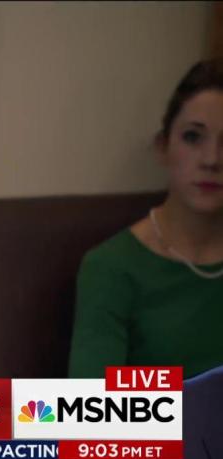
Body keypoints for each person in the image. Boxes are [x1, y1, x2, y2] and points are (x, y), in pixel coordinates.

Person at [69, 58, 223, 380]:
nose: (211, 159)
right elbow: (90, 400)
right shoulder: (111, 267)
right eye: (193, 137)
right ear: (163, 147)